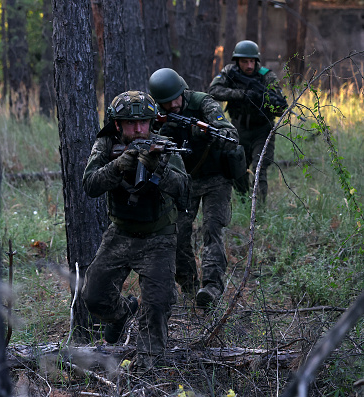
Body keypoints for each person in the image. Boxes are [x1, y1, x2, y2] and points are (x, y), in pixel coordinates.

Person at [81, 90, 190, 370]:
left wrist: (159, 170)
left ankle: (148, 369)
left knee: (156, 306)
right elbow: (90, 184)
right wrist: (117, 167)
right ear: (117, 125)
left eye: (144, 122)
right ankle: (124, 312)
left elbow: (185, 191)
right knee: (94, 297)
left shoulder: (164, 146)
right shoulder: (105, 144)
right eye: (131, 123)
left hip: (159, 237)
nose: (139, 129)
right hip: (121, 234)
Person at [148, 68, 239, 308]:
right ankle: (188, 287)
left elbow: (230, 133)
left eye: (174, 100)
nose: (172, 106)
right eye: (165, 104)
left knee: (212, 229)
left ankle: (211, 288)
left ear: (182, 92)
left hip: (215, 179)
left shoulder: (203, 103)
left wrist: (207, 134)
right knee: (178, 234)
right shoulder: (158, 115)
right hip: (184, 181)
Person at [209, 40, 288, 203]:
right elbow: (213, 90)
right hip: (239, 128)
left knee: (260, 168)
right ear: (237, 61)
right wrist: (242, 94)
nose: (249, 65)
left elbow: (279, 106)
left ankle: (258, 209)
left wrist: (267, 102)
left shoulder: (267, 76)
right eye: (245, 61)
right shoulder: (230, 71)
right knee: (238, 166)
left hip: (262, 129)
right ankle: (245, 202)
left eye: (252, 61)